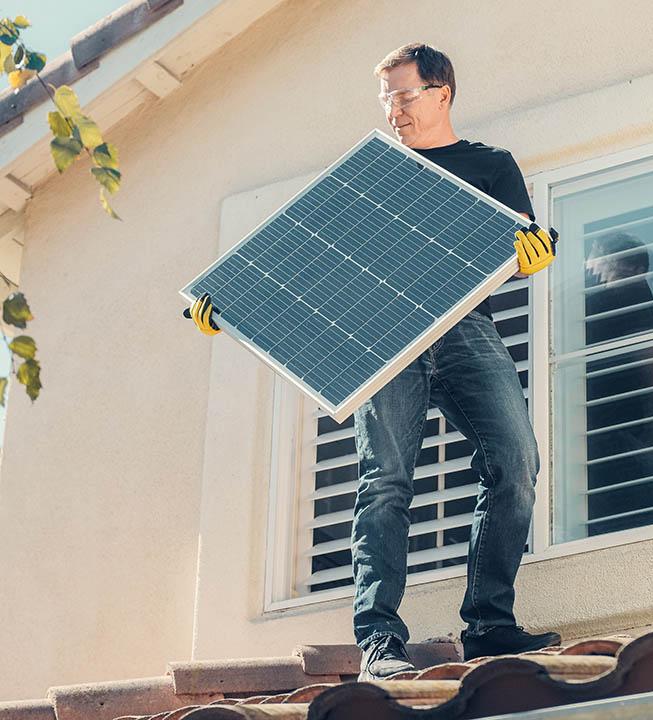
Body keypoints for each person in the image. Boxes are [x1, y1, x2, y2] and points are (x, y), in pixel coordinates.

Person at [185, 42, 561, 682]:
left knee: (516, 461)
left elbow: (518, 235)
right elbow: (300, 266)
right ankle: (380, 640)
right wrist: (227, 302)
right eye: (385, 98)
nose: (394, 110)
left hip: (465, 327)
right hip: (387, 340)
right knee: (384, 479)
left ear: (442, 93)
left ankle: (491, 624)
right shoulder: (370, 179)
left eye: (405, 95)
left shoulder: (490, 166)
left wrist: (535, 246)